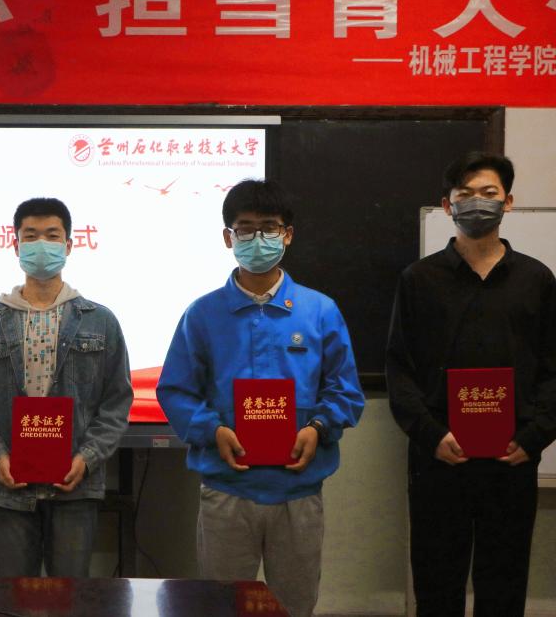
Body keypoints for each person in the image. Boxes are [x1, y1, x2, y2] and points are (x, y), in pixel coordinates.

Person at [156, 179, 363, 617]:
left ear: (287, 234)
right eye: (245, 228)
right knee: (220, 607)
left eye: (268, 227)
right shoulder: (203, 314)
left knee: (294, 607)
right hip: (227, 491)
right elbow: (175, 389)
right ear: (228, 237)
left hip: (298, 491)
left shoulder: (320, 311)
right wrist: (212, 430)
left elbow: (345, 389)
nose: (257, 238)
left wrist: (318, 428)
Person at [386, 152, 556, 616]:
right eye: (465, 194)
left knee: (504, 588)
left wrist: (534, 437)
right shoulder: (418, 280)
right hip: (439, 460)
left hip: (512, 459)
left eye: (489, 193)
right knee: (437, 588)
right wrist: (431, 435)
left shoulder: (537, 279)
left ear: (508, 202)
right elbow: (399, 369)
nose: (477, 203)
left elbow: (553, 370)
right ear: (448, 205)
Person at [0, 197, 133, 578]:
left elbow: (117, 402)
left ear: (69, 245)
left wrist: (87, 457)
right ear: (15, 245)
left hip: (75, 485)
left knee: (70, 596)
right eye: (30, 236)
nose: (41, 245)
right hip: (10, 486)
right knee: (14, 596)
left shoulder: (100, 321)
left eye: (52, 236)